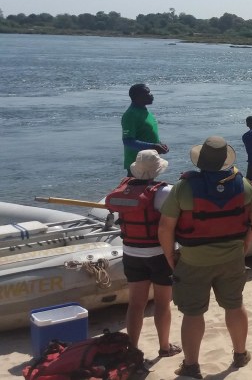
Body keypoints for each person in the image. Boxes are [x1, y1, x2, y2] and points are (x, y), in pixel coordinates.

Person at [157, 136, 252, 379]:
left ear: (201, 160)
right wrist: (245, 244)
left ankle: (192, 366)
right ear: (225, 160)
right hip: (233, 257)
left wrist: (170, 256)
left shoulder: (184, 187)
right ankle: (240, 354)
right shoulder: (243, 184)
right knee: (234, 305)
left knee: (193, 313)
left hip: (193, 260)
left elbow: (165, 228)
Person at [104, 149, 180, 357]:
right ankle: (164, 347)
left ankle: (133, 348)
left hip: (131, 253)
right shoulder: (164, 192)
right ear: (157, 170)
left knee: (136, 304)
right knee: (162, 304)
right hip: (159, 254)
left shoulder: (124, 189)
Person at [122, 84, 168, 175]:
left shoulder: (146, 112)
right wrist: (153, 146)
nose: (151, 95)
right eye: (147, 93)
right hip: (137, 164)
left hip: (149, 161)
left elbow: (146, 134)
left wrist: (159, 144)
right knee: (136, 188)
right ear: (138, 96)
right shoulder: (130, 114)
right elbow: (128, 141)